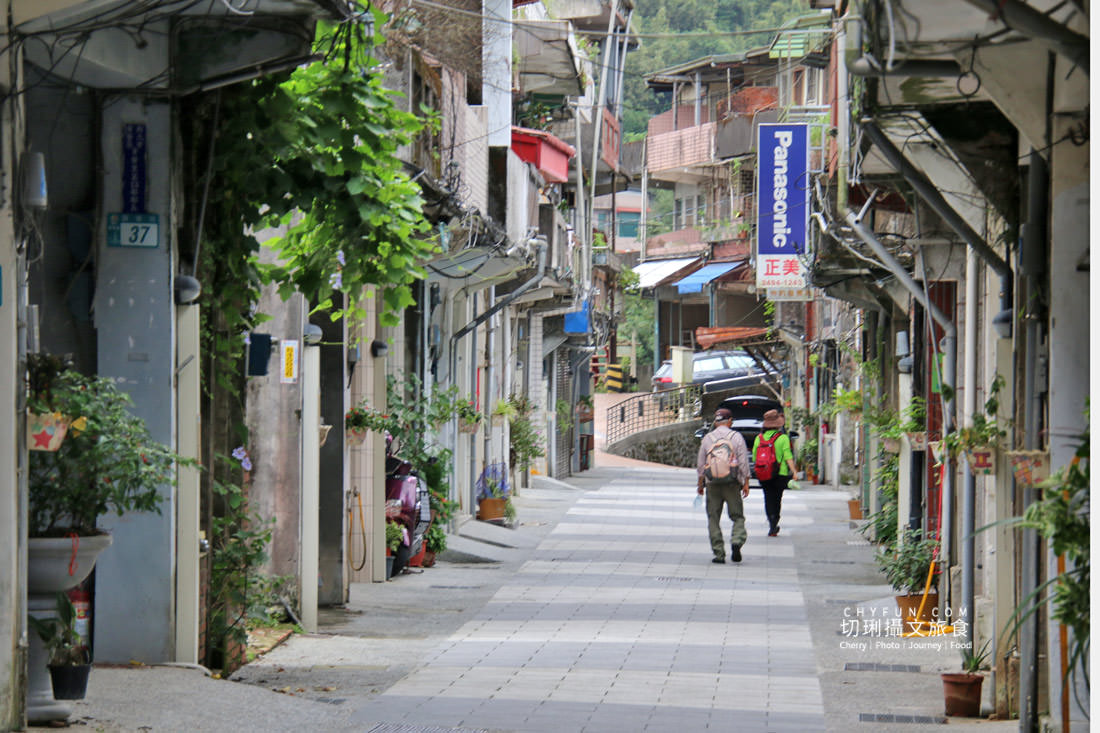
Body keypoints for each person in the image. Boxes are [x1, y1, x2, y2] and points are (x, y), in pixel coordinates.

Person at [696, 407, 751, 563]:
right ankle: (737, 541)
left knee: (713, 518)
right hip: (732, 483)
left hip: (712, 483)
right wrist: (746, 482)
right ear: (730, 421)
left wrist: (700, 484)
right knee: (737, 516)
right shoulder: (736, 437)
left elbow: (701, 464)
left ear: (716, 422)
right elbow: (743, 462)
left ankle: (719, 554)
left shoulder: (707, 438)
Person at [752, 409, 799, 536]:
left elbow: (755, 457)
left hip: (764, 473)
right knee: (777, 499)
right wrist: (794, 471)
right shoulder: (783, 438)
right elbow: (788, 456)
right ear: (778, 424)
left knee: (768, 498)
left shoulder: (759, 438)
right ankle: (774, 522)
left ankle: (771, 522)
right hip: (780, 474)